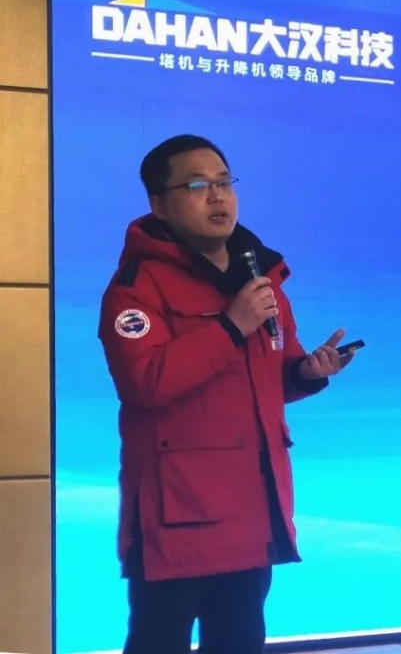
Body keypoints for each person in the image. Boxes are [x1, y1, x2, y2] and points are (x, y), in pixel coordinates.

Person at [98, 134, 356, 654]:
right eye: (197, 186)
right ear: (159, 204)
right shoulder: (135, 287)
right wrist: (231, 326)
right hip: (176, 517)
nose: (217, 196)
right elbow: (145, 383)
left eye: (224, 183)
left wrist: (307, 373)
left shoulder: (260, 279)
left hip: (251, 511)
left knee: (240, 641)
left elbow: (270, 378)